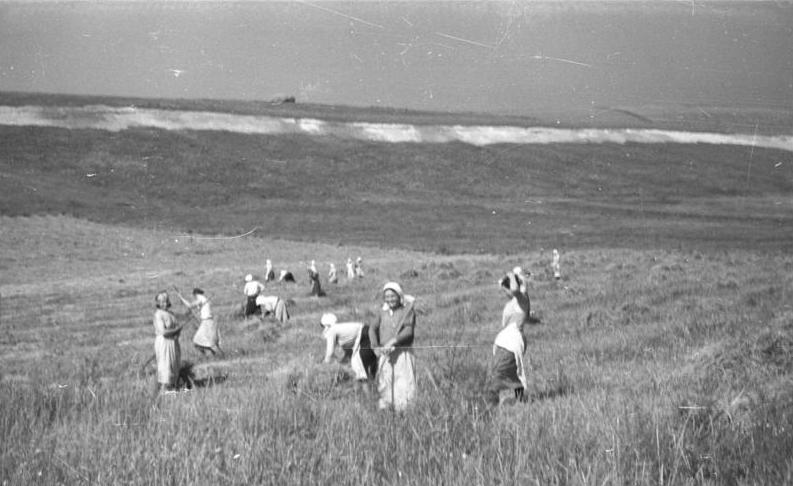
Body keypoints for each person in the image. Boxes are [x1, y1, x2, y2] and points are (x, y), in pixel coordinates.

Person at [486, 267, 532, 406]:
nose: (505, 292)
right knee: (511, 374)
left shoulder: (521, 298)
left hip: (510, 344)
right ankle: (521, 402)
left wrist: (512, 274)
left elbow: (514, 290)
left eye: (505, 289)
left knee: (496, 376)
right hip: (506, 343)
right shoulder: (514, 303)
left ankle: (490, 408)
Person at [369, 282, 417, 411]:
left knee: (403, 383)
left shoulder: (406, 310)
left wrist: (393, 342)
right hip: (385, 354)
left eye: (393, 296)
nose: (390, 299)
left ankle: (404, 411)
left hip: (402, 353)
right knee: (385, 383)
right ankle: (387, 410)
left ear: (399, 296)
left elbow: (408, 331)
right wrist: (375, 347)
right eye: (387, 296)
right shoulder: (381, 312)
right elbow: (372, 329)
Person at [319, 313, 377, 389]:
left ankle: (367, 396)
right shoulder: (342, 330)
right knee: (368, 365)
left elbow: (330, 352)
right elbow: (349, 352)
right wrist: (343, 360)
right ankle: (371, 388)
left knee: (358, 365)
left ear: (325, 325)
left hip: (365, 335)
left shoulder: (332, 330)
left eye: (322, 326)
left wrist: (325, 363)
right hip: (369, 333)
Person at [178, 288, 223, 358]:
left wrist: (181, 298)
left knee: (199, 342)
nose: (194, 297)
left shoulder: (201, 299)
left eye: (194, 295)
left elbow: (190, 305)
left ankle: (218, 356)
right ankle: (212, 356)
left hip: (207, 323)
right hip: (208, 322)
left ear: (196, 294)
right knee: (206, 343)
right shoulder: (204, 299)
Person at [153, 291, 183, 393]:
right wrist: (176, 330)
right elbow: (164, 332)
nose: (164, 304)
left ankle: (173, 390)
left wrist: (177, 333)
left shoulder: (171, 314)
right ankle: (163, 391)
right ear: (158, 303)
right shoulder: (158, 314)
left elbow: (177, 327)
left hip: (173, 342)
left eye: (165, 301)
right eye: (161, 302)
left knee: (174, 365)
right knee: (165, 366)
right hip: (164, 343)